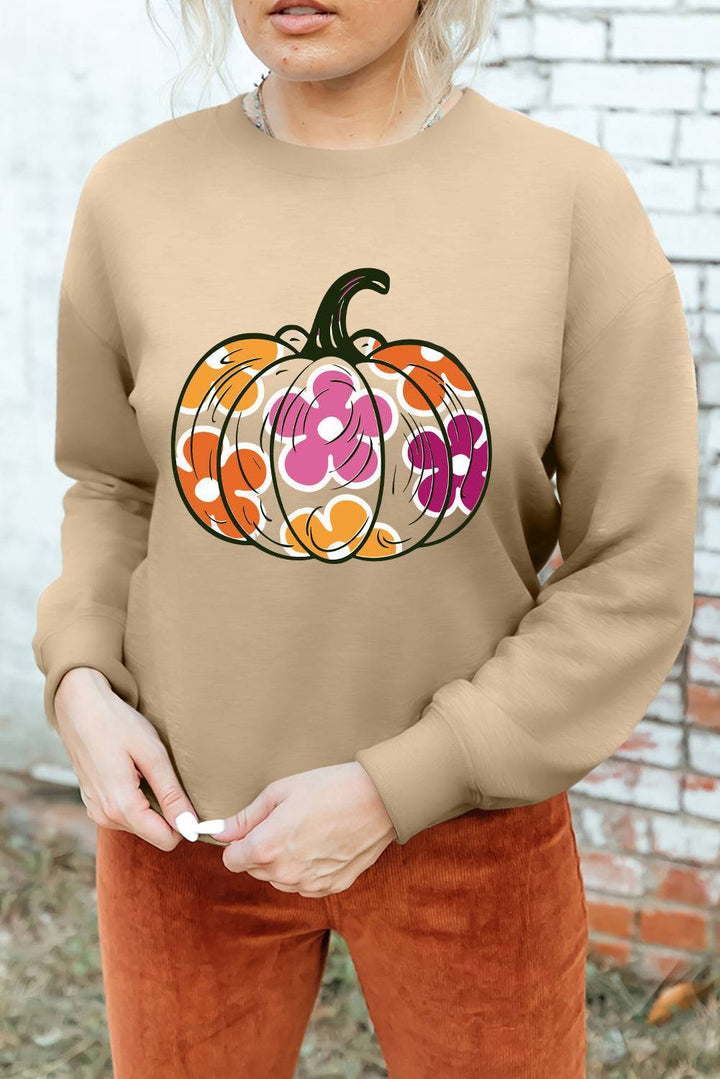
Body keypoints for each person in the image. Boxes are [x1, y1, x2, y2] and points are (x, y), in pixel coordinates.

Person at [31, 0, 699, 1075]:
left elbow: (636, 564)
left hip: (470, 835)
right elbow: (112, 484)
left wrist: (405, 782)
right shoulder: (134, 191)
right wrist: (80, 682)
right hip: (183, 829)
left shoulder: (567, 200)